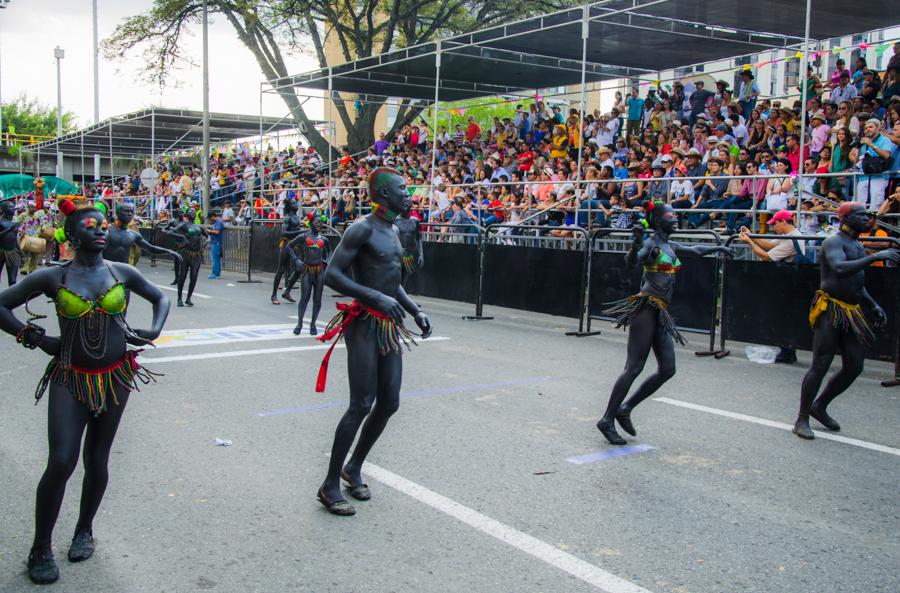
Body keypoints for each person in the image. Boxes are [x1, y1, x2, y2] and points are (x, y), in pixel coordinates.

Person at [0, 197, 170, 584]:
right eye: (91, 226)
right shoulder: (53, 277)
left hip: (115, 376)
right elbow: (1, 306)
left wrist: (155, 328)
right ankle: (41, 546)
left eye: (103, 225)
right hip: (70, 377)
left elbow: (161, 297)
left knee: (98, 459)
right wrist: (36, 337)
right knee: (61, 461)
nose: (100, 229)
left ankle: (84, 530)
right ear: (72, 236)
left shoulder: (122, 272)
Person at [314, 168, 432, 515]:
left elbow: (391, 280)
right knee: (361, 403)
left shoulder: (394, 229)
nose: (408, 194)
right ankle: (330, 483)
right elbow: (331, 276)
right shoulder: (361, 228)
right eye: (402, 189)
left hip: (389, 324)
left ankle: (354, 468)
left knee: (389, 401)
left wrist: (414, 310)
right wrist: (374, 298)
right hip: (364, 323)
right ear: (383, 194)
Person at [597, 201, 733, 445]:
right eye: (672, 215)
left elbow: (697, 250)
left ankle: (625, 408)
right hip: (645, 310)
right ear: (659, 220)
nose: (676, 218)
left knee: (667, 369)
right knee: (634, 367)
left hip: (660, 312)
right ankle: (607, 419)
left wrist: (720, 247)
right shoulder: (650, 244)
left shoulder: (669, 245)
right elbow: (632, 262)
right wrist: (636, 242)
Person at [794, 203, 900, 439]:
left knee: (854, 366)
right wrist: (877, 257)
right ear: (845, 218)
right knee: (820, 364)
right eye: (861, 215)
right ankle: (801, 418)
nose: (867, 219)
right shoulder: (834, 242)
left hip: (852, 310)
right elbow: (840, 269)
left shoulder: (855, 244)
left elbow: (857, 282)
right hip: (831, 309)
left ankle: (819, 406)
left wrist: (872, 304)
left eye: (867, 215)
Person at [103, 201, 182, 270]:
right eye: (126, 211)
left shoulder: (133, 234)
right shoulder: (107, 230)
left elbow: (151, 248)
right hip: (107, 271)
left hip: (124, 272)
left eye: (131, 212)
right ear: (118, 212)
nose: (130, 214)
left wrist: (169, 252)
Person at [290, 211, 331, 336]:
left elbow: (330, 252)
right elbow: (289, 246)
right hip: (307, 270)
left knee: (317, 299)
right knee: (304, 298)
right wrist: (296, 260)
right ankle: (299, 323)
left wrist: (327, 261)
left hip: (319, 271)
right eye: (316, 222)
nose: (319, 224)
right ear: (310, 223)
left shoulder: (324, 239)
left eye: (321, 222)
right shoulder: (303, 236)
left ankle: (313, 324)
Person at [161, 205, 208, 307]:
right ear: (187, 214)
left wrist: (204, 245)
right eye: (190, 211)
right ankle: (179, 298)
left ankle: (188, 298)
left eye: (193, 211)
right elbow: (170, 232)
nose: (192, 212)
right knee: (182, 276)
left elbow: (208, 237)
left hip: (196, 254)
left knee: (194, 276)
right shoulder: (184, 225)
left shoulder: (199, 227)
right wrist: (182, 238)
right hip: (186, 252)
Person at [855, 118, 895, 211]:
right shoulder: (864, 142)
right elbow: (858, 161)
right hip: (864, 176)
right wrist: (858, 147)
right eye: (866, 128)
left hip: (879, 175)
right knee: (860, 205)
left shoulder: (885, 140)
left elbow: (886, 155)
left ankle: (875, 225)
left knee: (876, 204)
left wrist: (871, 145)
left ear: (877, 128)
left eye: (871, 127)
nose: (868, 129)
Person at [271, 199, 305, 305]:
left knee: (299, 268)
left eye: (296, 203)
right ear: (290, 206)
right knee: (281, 270)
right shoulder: (288, 217)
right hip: (286, 245)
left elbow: (295, 229)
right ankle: (274, 295)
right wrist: (300, 231)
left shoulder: (296, 216)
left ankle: (287, 291)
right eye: (294, 203)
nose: (296, 205)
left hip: (295, 245)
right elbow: (283, 233)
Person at [395, 199, 424, 291]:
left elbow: (418, 238)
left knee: (405, 280)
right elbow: (390, 237)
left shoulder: (415, 221)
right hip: (398, 254)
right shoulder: (395, 220)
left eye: (408, 207)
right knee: (396, 279)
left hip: (410, 254)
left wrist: (421, 255)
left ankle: (402, 300)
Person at [0, 197, 22, 286]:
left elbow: (14, 239)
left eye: (14, 208)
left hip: (12, 252)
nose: (13, 210)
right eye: (11, 208)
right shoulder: (1, 223)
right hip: (1, 251)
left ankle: (10, 298)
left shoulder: (14, 223)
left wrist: (20, 252)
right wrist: (9, 229)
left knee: (13, 280)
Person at [206, 211, 224, 279]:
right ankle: (217, 273)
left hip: (216, 242)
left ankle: (215, 273)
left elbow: (217, 232)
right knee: (216, 259)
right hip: (215, 242)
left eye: (210, 218)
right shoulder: (216, 222)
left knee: (215, 259)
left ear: (213, 216)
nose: (210, 219)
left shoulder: (218, 222)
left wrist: (209, 231)